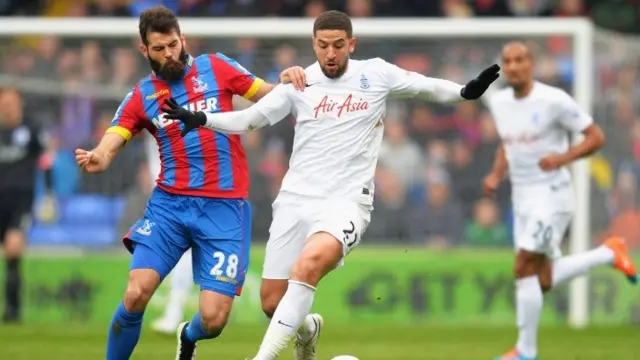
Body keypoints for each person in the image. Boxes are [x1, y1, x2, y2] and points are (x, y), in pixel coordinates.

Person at [161, 10, 499, 360]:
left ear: (351, 44)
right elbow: (250, 119)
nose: (331, 53)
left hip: (346, 203)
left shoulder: (376, 73)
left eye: (339, 45)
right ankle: (308, 329)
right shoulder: (299, 83)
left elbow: (424, 85)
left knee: (307, 266)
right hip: (294, 201)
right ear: (314, 45)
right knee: (272, 303)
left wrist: (464, 92)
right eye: (323, 45)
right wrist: (202, 118)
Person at [74, 6, 304, 360]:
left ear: (183, 40)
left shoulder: (218, 66)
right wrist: (98, 157)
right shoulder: (142, 95)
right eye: (159, 49)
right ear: (144, 51)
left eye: (173, 45)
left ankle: (189, 335)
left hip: (224, 208)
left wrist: (289, 80)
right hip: (170, 207)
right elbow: (112, 141)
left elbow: (268, 95)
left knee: (213, 320)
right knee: (136, 293)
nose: (169, 55)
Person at [483, 42, 637, 360]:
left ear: (531, 64)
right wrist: (496, 175)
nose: (513, 66)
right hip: (522, 196)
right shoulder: (498, 102)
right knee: (540, 279)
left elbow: (597, 136)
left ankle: (525, 352)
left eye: (520, 60)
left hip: (552, 194)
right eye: (507, 61)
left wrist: (563, 157)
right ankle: (609, 253)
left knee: (524, 266)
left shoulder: (553, 100)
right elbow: (507, 144)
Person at [0, 88, 55, 323]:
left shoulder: (31, 131)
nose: (8, 107)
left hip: (21, 199)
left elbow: (46, 160)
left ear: (19, 105)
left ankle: (13, 311)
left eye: (12, 103)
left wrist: (50, 194)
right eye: (4, 103)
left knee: (13, 248)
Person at [142, 132, 194, 335]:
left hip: (180, 187)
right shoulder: (150, 106)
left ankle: (174, 313)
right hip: (165, 189)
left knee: (183, 251)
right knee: (179, 251)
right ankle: (173, 312)